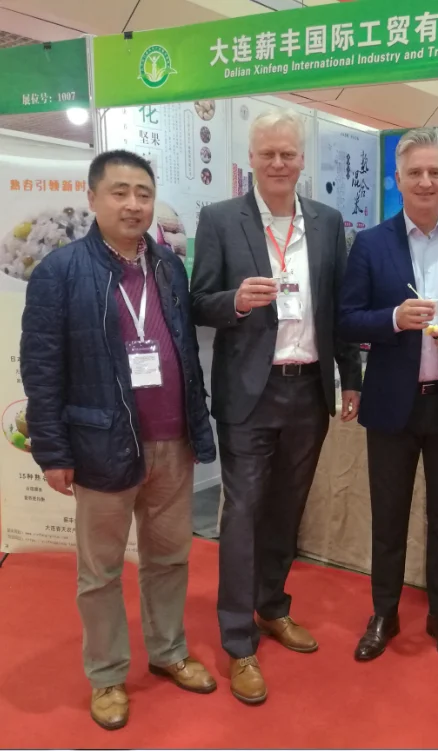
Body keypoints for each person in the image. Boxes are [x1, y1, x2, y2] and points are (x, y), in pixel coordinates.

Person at [20, 150, 218, 730]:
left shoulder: (168, 265)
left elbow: (185, 352)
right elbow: (42, 370)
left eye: (143, 193)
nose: (133, 204)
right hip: (101, 444)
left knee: (170, 558)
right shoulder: (59, 272)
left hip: (173, 441)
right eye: (120, 192)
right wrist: (52, 451)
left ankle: (169, 650)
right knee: (101, 572)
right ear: (92, 198)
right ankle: (106, 675)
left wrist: (197, 424)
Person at [190, 110, 362, 705]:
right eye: (268, 154)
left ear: (302, 159)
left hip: (308, 387)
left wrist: (350, 378)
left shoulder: (327, 222)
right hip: (249, 391)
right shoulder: (220, 219)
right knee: (242, 514)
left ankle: (271, 606)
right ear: (251, 160)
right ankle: (238, 641)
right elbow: (197, 301)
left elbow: (338, 310)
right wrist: (235, 301)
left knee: (288, 510)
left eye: (288, 153)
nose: (279, 163)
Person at [338, 127, 438, 662]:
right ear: (398, 179)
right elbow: (346, 318)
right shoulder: (370, 243)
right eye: (415, 172)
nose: (426, 181)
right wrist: (392, 318)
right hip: (391, 405)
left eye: (435, 172)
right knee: (389, 516)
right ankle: (384, 612)